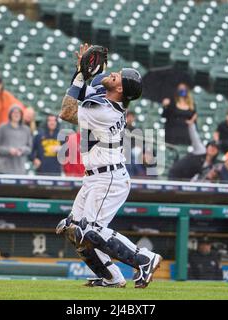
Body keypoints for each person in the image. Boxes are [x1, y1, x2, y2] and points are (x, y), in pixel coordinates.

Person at [56, 43, 162, 289]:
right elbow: (83, 92)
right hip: (95, 177)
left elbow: (67, 110)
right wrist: (82, 69)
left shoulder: (105, 110)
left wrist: (83, 74)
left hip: (109, 178)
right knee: (73, 229)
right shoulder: (106, 100)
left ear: (120, 88)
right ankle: (112, 277)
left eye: (116, 76)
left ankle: (145, 258)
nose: (111, 74)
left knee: (90, 231)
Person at [168, 114, 219, 180]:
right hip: (176, 174)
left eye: (215, 148)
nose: (212, 149)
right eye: (211, 146)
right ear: (207, 147)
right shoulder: (201, 150)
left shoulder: (211, 165)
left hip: (188, 181)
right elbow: (195, 138)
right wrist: (191, 125)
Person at [0, 74, 35, 139]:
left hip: (4, 132)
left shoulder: (6, 96)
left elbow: (18, 106)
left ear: (2, 85)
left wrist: (27, 111)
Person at [0, 106, 33, 175]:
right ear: (10, 114)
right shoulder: (2, 128)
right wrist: (9, 150)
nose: (16, 114)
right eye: (14, 112)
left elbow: (29, 148)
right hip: (3, 169)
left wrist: (22, 150)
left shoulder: (26, 130)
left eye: (18, 113)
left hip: (19, 169)